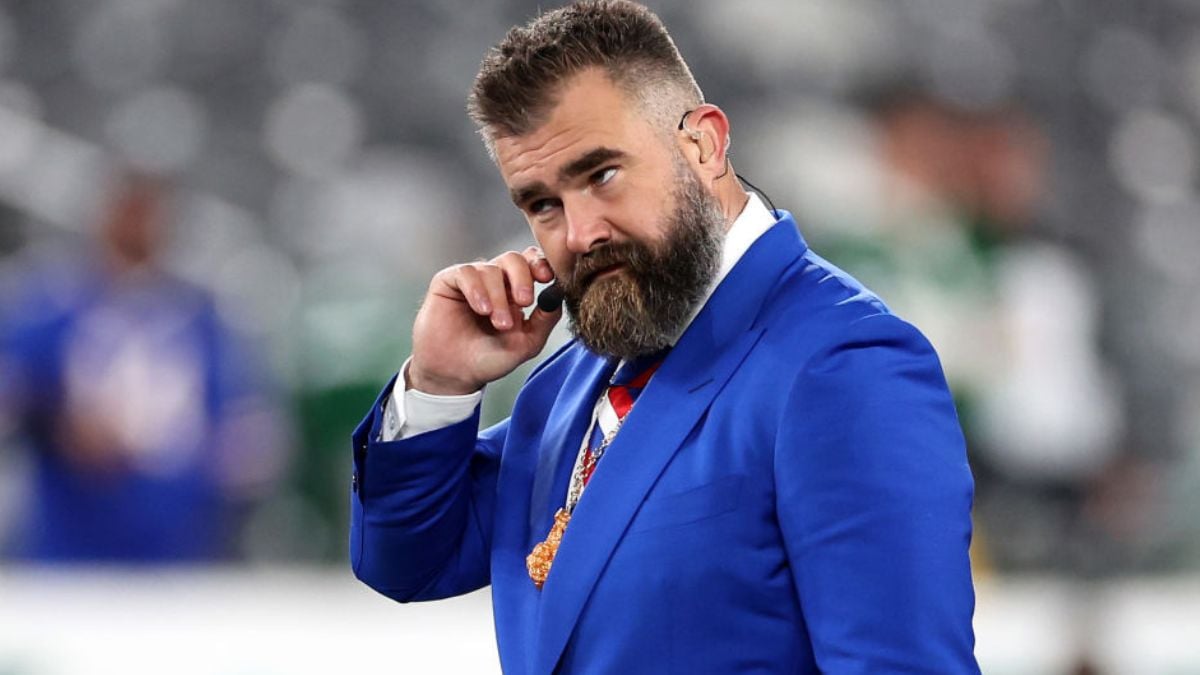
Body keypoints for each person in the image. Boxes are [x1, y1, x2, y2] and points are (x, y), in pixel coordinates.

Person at [350, 1, 978, 671]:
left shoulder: (843, 365)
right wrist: (440, 384)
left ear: (703, 144)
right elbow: (407, 559)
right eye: (543, 203)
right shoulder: (562, 391)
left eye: (602, 174)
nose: (580, 231)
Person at [0, 173, 284, 563]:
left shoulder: (204, 319)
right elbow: (13, 400)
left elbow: (251, 437)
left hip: (178, 545)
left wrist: (217, 461)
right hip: (71, 543)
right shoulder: (50, 312)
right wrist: (59, 422)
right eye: (128, 213)